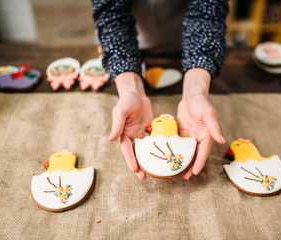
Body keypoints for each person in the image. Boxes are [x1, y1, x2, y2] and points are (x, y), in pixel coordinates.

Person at [91, 0, 228, 180]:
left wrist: (196, 90)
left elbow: (208, 11)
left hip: (192, 44)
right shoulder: (151, 143)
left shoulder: (171, 143)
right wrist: (130, 89)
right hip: (125, 45)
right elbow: (111, 14)